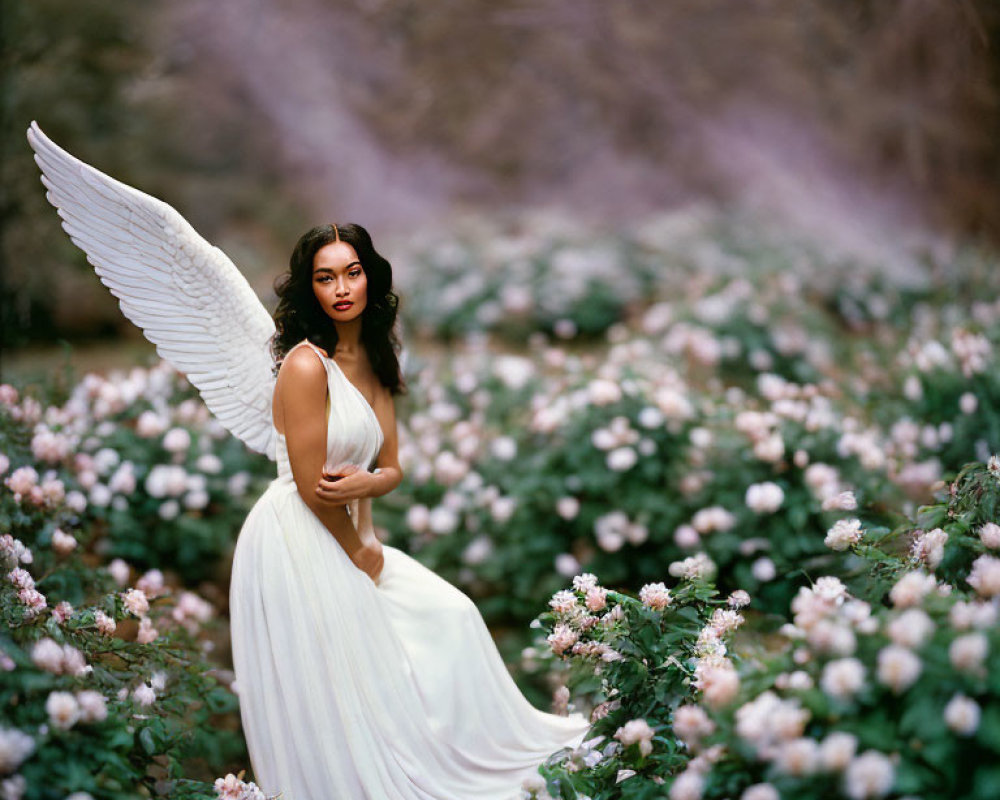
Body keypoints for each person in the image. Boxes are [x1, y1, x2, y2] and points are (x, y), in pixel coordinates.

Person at [228, 222, 590, 800]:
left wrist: (368, 487)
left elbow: (391, 466)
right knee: (348, 677)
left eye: (353, 273)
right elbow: (309, 483)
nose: (342, 288)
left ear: (371, 277)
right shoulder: (303, 367)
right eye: (326, 278)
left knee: (452, 615)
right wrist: (360, 551)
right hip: (296, 533)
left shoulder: (373, 355)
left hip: (350, 526)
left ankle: (453, 754)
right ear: (309, 291)